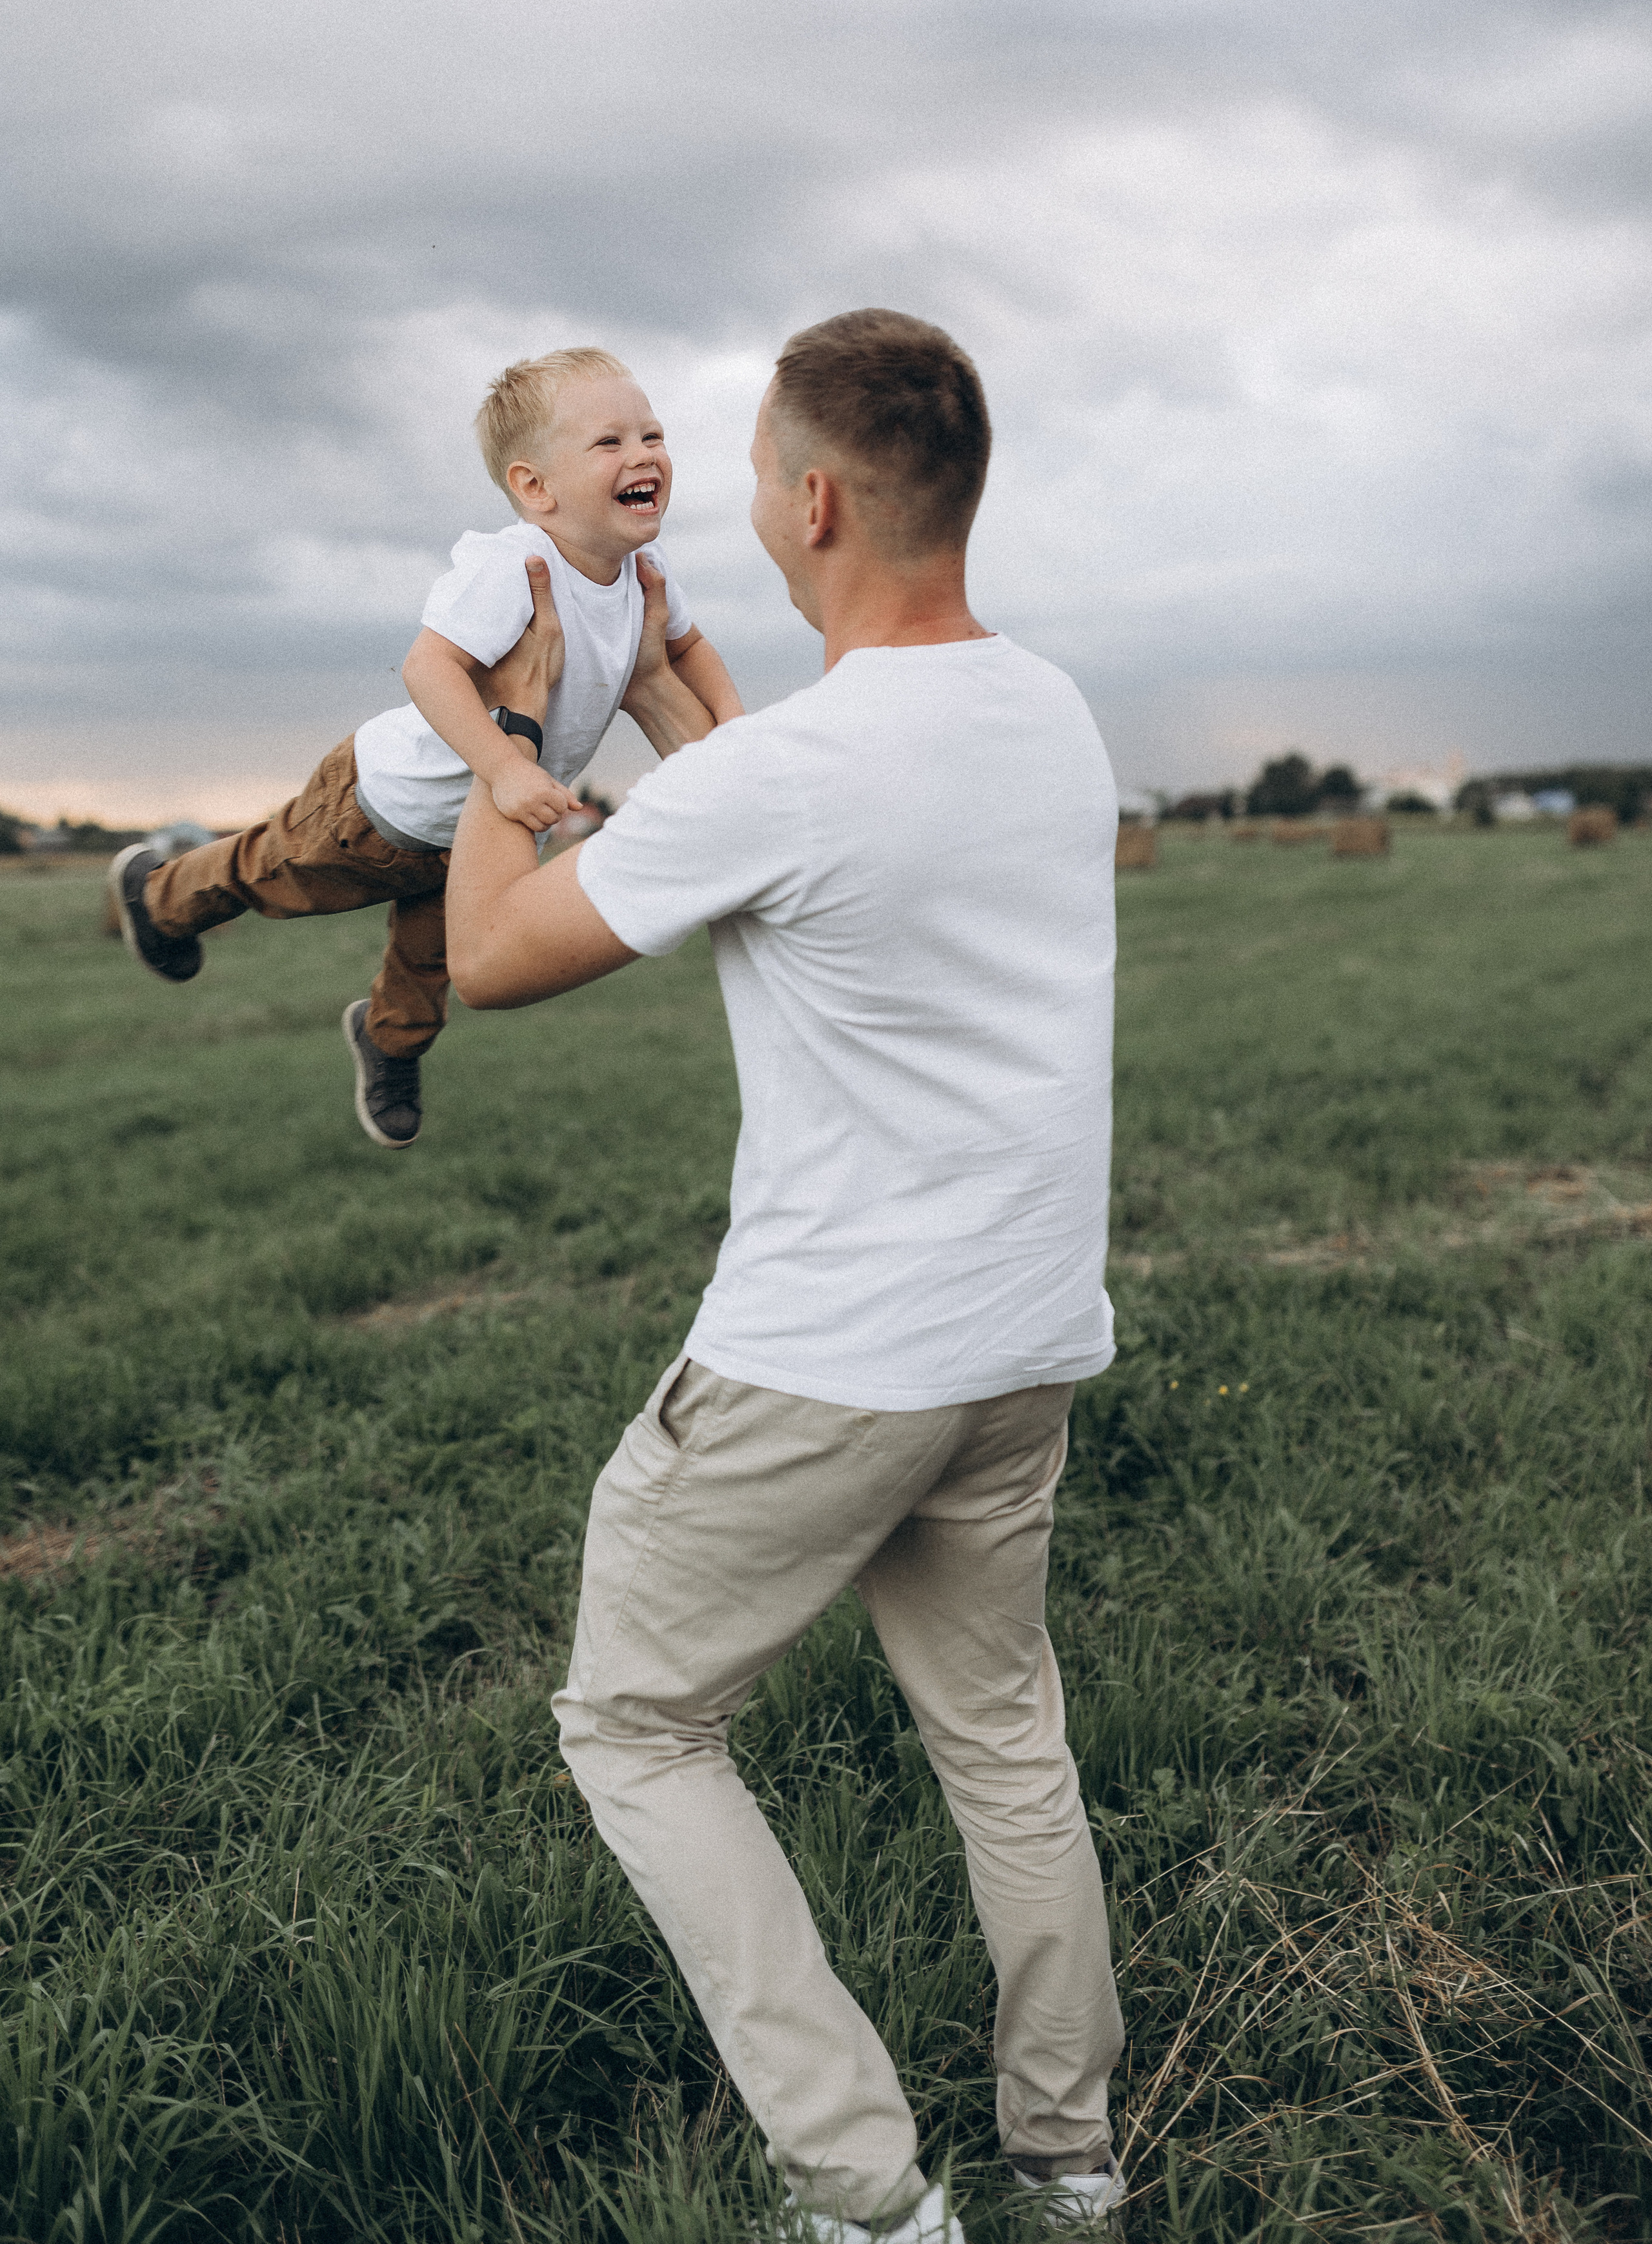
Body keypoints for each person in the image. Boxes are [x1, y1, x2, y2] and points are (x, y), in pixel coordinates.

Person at [445, 310, 1125, 2241]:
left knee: (634, 1721)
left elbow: (496, 957)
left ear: (811, 499)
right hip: (1016, 1346)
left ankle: (862, 2192)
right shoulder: (1047, 712)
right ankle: (1067, 2163)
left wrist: (485, 768)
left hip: (827, 1367)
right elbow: (818, 810)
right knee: (1002, 1729)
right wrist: (676, 698)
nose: (736, 495)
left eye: (749, 466)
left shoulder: (798, 771)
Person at [105, 350, 743, 1147]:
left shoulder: (646, 570)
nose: (644, 454)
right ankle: (156, 896)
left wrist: (735, 741)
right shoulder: (515, 563)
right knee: (271, 873)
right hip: (384, 805)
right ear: (534, 487)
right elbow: (428, 666)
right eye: (609, 442)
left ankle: (387, 1041)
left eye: (652, 433)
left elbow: (689, 650)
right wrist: (507, 768)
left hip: (481, 837)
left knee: (429, 966)